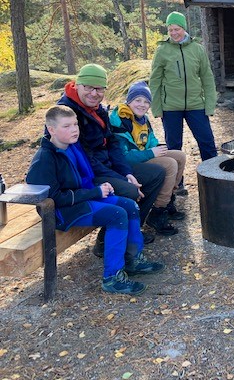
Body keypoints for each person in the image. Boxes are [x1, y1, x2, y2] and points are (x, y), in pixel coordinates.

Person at [26, 106, 165, 295]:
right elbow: (54, 199)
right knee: (116, 214)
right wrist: (95, 193)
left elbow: (86, 177)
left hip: (81, 199)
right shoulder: (45, 159)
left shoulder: (72, 147)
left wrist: (104, 186)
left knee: (129, 205)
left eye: (75, 124)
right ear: (51, 130)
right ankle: (112, 278)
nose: (74, 129)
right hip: (62, 212)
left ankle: (132, 259)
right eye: (67, 126)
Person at [58, 63, 165, 252]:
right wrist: (122, 179)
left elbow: (112, 143)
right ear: (78, 85)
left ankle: (133, 230)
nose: (94, 93)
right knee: (130, 191)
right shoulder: (67, 113)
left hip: (106, 166)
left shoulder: (97, 109)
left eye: (99, 88)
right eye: (88, 87)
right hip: (84, 176)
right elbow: (86, 160)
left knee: (156, 173)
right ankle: (104, 241)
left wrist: (126, 172)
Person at [150, 11, 218, 194]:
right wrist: (156, 108)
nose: (173, 33)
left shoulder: (197, 49)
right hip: (170, 107)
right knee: (173, 147)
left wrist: (210, 104)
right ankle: (176, 185)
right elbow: (155, 80)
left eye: (177, 29)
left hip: (196, 105)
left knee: (207, 143)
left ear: (184, 28)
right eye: (170, 29)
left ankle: (214, 179)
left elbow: (207, 78)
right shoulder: (162, 50)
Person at [109, 81, 185, 235]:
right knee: (170, 164)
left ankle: (168, 199)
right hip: (128, 162)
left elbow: (151, 140)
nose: (142, 105)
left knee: (179, 156)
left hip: (142, 154)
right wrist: (152, 153)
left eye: (146, 102)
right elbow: (123, 157)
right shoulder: (120, 119)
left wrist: (156, 148)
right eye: (137, 100)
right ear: (129, 101)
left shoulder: (143, 119)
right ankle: (158, 211)